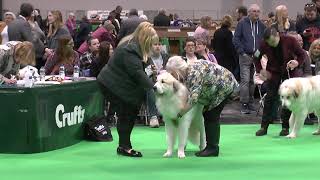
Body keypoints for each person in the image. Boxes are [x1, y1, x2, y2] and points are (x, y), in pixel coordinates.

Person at [97, 22, 158, 157]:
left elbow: (144, 65)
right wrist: (154, 88)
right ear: (145, 38)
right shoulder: (130, 48)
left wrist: (153, 72)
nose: (153, 45)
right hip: (111, 84)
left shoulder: (136, 46)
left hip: (121, 84)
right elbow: (136, 72)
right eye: (152, 42)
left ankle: (124, 146)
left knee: (130, 110)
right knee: (127, 112)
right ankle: (124, 147)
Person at [165, 56, 238, 157]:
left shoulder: (194, 73)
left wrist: (179, 114)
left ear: (178, 70)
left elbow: (193, 100)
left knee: (211, 115)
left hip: (224, 87)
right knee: (209, 115)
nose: (172, 77)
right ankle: (210, 147)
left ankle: (212, 148)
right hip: (219, 86)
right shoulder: (188, 72)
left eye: (172, 73)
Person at [254, 27, 305, 136]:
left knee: (288, 99)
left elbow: (302, 54)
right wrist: (260, 70)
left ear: (278, 35)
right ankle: (264, 127)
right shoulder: (263, 44)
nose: (271, 44)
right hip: (273, 73)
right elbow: (255, 57)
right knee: (269, 98)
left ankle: (285, 127)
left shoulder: (291, 40)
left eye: (273, 41)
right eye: (269, 43)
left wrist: (297, 62)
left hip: (289, 72)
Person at [233, 4, 266, 114]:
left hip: (256, 56)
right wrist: (241, 52)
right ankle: (244, 104)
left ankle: (251, 102)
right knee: (245, 80)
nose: (256, 13)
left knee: (253, 81)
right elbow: (236, 39)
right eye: (254, 11)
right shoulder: (242, 23)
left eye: (258, 11)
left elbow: (264, 41)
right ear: (249, 12)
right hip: (245, 56)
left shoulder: (261, 25)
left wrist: (260, 53)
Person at [145, 41, 170, 128]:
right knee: (151, 87)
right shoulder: (146, 58)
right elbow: (143, 74)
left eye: (159, 44)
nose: (158, 46)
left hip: (165, 82)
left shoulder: (166, 57)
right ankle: (153, 117)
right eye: (155, 44)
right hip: (151, 82)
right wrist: (152, 72)